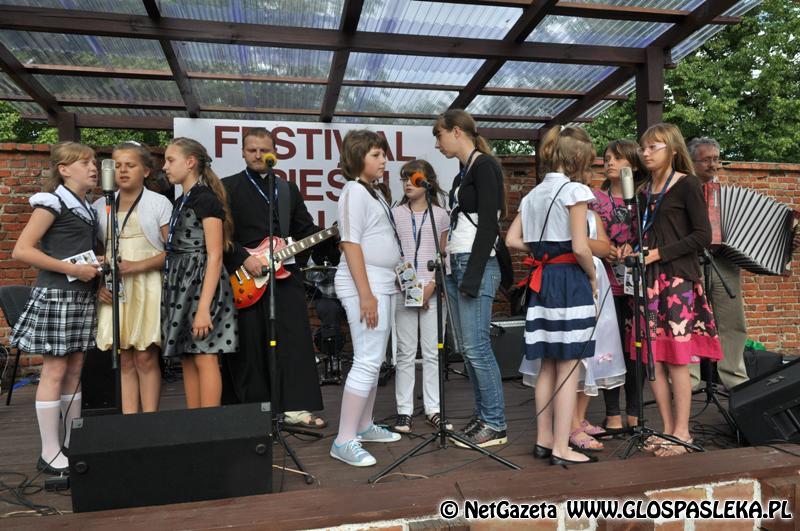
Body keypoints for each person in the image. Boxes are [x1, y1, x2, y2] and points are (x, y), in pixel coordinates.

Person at [220, 128, 333, 429]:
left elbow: (304, 228)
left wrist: (331, 237)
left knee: (294, 339)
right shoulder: (227, 187)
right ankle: (253, 410)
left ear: (275, 153)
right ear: (243, 152)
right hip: (244, 276)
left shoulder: (287, 189)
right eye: (252, 150)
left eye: (264, 150)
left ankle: (295, 407)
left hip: (284, 275)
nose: (258, 155)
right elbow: (220, 234)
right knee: (250, 345)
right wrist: (243, 259)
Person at [506, 125, 599, 466]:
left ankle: (544, 440)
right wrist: (592, 276)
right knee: (569, 366)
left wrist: (542, 251)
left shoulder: (533, 194)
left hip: (542, 281)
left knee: (547, 363)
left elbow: (511, 240)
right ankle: (561, 446)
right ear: (577, 157)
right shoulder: (575, 190)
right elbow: (580, 247)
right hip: (569, 280)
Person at [11, 142, 102, 474]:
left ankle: (72, 444)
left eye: (94, 162)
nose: (93, 167)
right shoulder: (51, 202)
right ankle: (49, 452)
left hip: (80, 296)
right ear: (63, 169)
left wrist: (95, 264)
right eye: (84, 162)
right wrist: (72, 269)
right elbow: (22, 250)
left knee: (74, 370)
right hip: (57, 296)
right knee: (55, 370)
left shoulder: (86, 206)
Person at [632, 124, 722, 457]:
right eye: (643, 148)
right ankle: (667, 428)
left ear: (671, 149)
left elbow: (702, 236)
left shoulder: (687, 184)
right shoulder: (643, 191)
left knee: (677, 360)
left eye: (653, 147)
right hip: (649, 281)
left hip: (677, 281)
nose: (645, 153)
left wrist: (660, 253)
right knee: (653, 358)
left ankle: (682, 431)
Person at [433, 109, 508, 448]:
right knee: (466, 348)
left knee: (477, 348)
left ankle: (495, 423)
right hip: (458, 263)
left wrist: (472, 276)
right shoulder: (462, 174)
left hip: (475, 264)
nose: (438, 144)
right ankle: (483, 416)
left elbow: (490, 225)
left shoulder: (485, 166)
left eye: (439, 135)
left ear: (457, 131)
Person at [330, 130, 402, 467]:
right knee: (367, 360)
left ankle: (363, 425)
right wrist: (366, 295)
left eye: (383, 154)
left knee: (374, 359)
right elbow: (350, 243)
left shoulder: (373, 192)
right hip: (365, 285)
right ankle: (344, 440)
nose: (384, 160)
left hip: (381, 283)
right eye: (376, 154)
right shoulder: (353, 192)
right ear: (358, 157)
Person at [94, 142, 172, 414]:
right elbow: (96, 254)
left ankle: (149, 421)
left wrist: (137, 266)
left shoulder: (159, 203)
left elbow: (173, 252)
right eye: (117, 165)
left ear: (146, 171)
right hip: (115, 287)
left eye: (130, 165)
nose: (123, 170)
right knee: (124, 358)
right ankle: (129, 421)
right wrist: (99, 285)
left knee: (145, 356)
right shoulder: (101, 204)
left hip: (147, 284)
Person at [161, 137, 237, 409]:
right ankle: (194, 421)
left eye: (171, 160)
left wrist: (204, 308)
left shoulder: (205, 199)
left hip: (202, 285)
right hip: (181, 284)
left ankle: (210, 423)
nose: (165, 166)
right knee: (188, 355)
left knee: (205, 354)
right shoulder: (181, 200)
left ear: (190, 162)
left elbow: (215, 255)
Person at [390, 159, 451, 434]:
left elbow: (443, 255)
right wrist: (410, 289)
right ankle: (404, 411)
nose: (407, 184)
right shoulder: (395, 214)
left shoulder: (441, 215)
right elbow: (394, 253)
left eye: (412, 179)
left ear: (427, 182)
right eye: (404, 179)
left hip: (432, 291)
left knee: (432, 353)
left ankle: (433, 408)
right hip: (403, 289)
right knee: (404, 352)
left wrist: (430, 288)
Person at [589, 140, 645, 434]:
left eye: (618, 158)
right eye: (607, 157)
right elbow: (583, 235)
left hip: (638, 282)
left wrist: (636, 249)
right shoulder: (594, 198)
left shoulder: (644, 197)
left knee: (637, 346)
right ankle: (612, 414)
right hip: (606, 282)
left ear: (633, 164)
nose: (610, 162)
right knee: (609, 347)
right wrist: (604, 249)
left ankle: (634, 413)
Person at [686, 137, 749, 391]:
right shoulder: (681, 189)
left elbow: (747, 230)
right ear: (692, 161)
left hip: (724, 262)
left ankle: (735, 380)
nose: (713, 164)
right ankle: (688, 380)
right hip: (690, 261)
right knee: (688, 321)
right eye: (707, 160)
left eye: (716, 159)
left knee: (733, 321)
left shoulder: (727, 195)